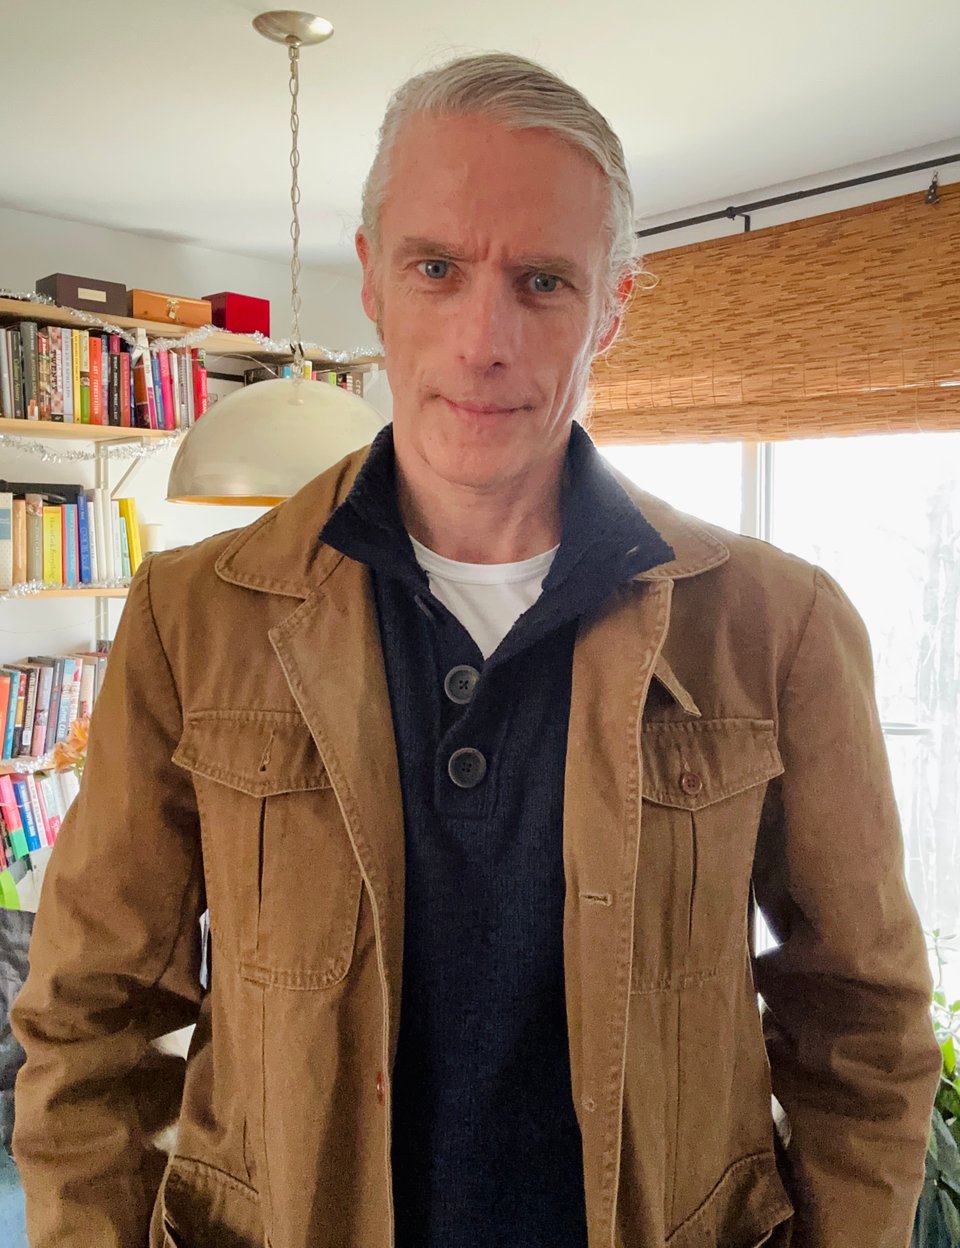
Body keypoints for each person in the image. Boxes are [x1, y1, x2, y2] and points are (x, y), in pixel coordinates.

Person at [12, 52, 940, 1248]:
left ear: (611, 304)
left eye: (544, 280)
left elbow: (862, 1028)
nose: (484, 338)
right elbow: (92, 1018)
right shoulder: (197, 617)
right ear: (372, 280)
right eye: (437, 268)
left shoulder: (780, 626)